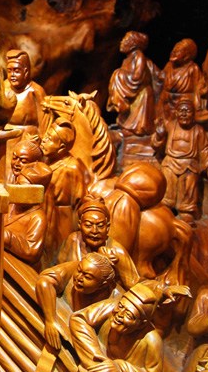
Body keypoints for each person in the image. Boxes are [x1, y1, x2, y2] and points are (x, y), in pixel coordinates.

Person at [70, 280, 190, 372]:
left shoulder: (151, 341)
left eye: (128, 315)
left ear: (141, 324)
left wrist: (120, 367)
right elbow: (79, 319)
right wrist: (96, 357)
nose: (119, 314)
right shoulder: (112, 307)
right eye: (121, 306)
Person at [152, 96, 208, 222]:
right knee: (168, 182)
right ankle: (166, 207)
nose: (184, 114)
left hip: (189, 163)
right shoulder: (170, 126)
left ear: (193, 114)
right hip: (171, 162)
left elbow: (204, 149)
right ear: (176, 113)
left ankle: (186, 211)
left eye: (187, 111)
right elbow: (156, 146)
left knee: (190, 184)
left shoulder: (198, 130)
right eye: (181, 111)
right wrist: (159, 136)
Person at [35, 252, 118, 351]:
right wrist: (51, 321)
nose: (79, 278)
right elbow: (44, 282)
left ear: (103, 285)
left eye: (88, 277)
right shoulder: (75, 267)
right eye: (79, 271)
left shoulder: (113, 301)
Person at [58, 196, 140, 290]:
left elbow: (135, 286)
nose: (94, 231)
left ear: (107, 227)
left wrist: (115, 266)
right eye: (88, 225)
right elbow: (60, 271)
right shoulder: (73, 240)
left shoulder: (116, 251)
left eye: (100, 226)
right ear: (80, 225)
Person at [41, 119, 92, 255]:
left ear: (62, 147)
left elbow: (81, 200)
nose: (43, 140)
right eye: (46, 136)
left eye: (49, 139)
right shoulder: (45, 160)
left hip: (61, 220)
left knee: (59, 253)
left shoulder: (72, 167)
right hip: (43, 214)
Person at [108, 31, 159, 137]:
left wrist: (121, 75)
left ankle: (134, 129)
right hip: (131, 90)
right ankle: (121, 110)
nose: (122, 42)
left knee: (118, 74)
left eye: (126, 40)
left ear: (133, 44)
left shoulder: (139, 56)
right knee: (117, 74)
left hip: (140, 91)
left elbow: (137, 76)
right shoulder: (126, 60)